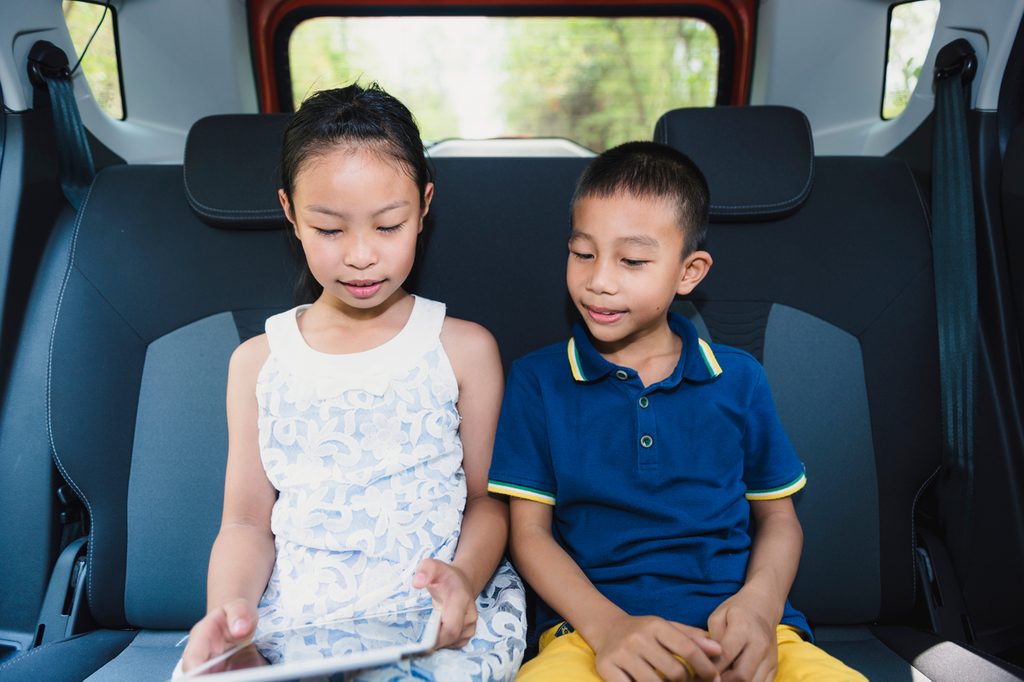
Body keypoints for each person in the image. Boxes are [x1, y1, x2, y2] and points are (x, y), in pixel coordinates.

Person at [179, 83, 526, 681]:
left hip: (434, 618)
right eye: (330, 229)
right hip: (302, 621)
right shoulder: (258, 362)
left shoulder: (463, 349)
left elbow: (485, 500)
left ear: (423, 206)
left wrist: (464, 580)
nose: (361, 256)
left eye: (388, 226)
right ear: (291, 213)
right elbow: (245, 523)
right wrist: (230, 618)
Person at [487, 142, 866, 681]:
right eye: (583, 253)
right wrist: (608, 627)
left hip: (742, 628)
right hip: (592, 633)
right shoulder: (538, 381)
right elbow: (529, 535)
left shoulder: (738, 379)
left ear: (689, 272)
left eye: (632, 261)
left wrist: (760, 607)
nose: (599, 280)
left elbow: (779, 518)